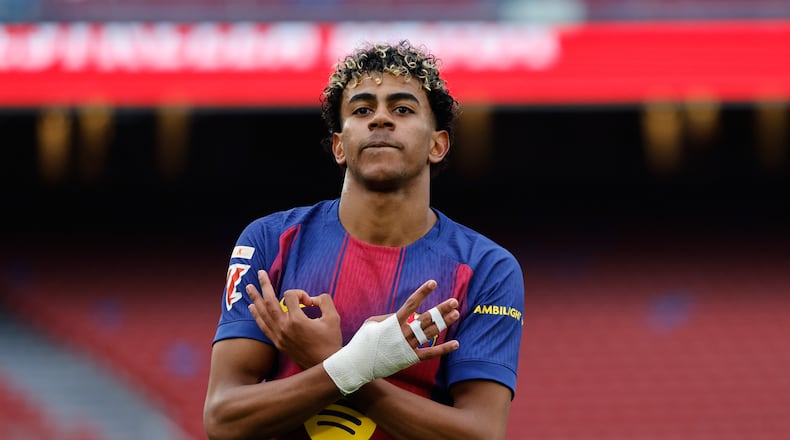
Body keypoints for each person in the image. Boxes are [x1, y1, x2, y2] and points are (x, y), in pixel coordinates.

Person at [203, 40, 525, 440]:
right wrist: (353, 366)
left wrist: (333, 364)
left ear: (437, 145)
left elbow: (480, 432)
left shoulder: (487, 268)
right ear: (339, 145)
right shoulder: (270, 241)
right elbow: (223, 418)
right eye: (362, 109)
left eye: (402, 109)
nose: (380, 120)